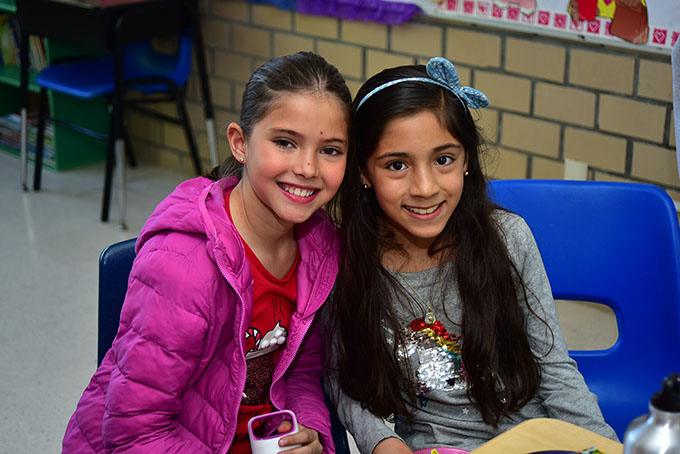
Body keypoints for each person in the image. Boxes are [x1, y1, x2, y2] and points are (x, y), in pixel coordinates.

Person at [62, 51, 352, 454]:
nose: (308, 167)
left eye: (330, 150)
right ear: (240, 143)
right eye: (285, 142)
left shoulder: (319, 246)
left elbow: (301, 368)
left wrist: (310, 432)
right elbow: (133, 433)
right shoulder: (183, 266)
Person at [324, 57, 617, 453]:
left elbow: (553, 367)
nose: (425, 187)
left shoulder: (508, 238)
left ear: (466, 160)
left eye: (443, 159)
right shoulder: (343, 261)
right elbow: (341, 378)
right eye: (397, 165)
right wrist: (381, 440)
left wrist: (603, 445)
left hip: (531, 440)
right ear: (363, 171)